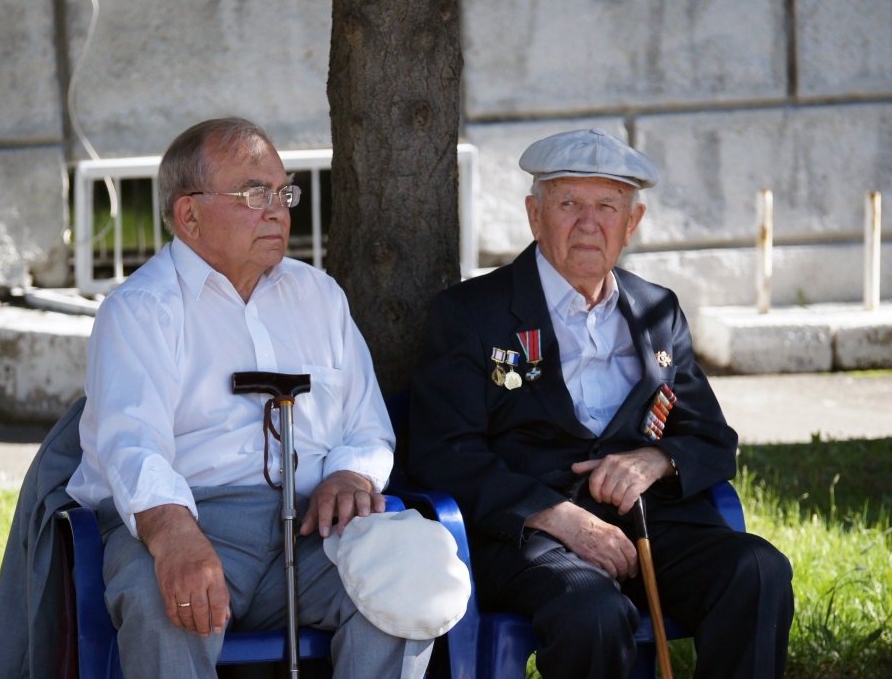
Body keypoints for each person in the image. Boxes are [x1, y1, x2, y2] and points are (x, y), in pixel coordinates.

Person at [408, 128, 793, 679]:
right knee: (593, 611)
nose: (589, 223)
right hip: (531, 537)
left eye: (607, 207)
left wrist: (655, 460)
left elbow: (712, 439)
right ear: (534, 214)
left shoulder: (658, 310)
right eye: (568, 204)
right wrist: (555, 517)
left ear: (631, 224)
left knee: (759, 571)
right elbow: (443, 452)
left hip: (650, 522)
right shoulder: (472, 313)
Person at [66, 117, 432, 678]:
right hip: (192, 518)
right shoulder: (141, 309)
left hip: (313, 529)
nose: (278, 210)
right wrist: (173, 535)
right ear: (189, 214)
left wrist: (352, 477)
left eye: (283, 192)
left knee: (402, 591)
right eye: (253, 193)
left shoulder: (320, 297)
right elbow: (132, 446)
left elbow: (367, 427)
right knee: (166, 599)